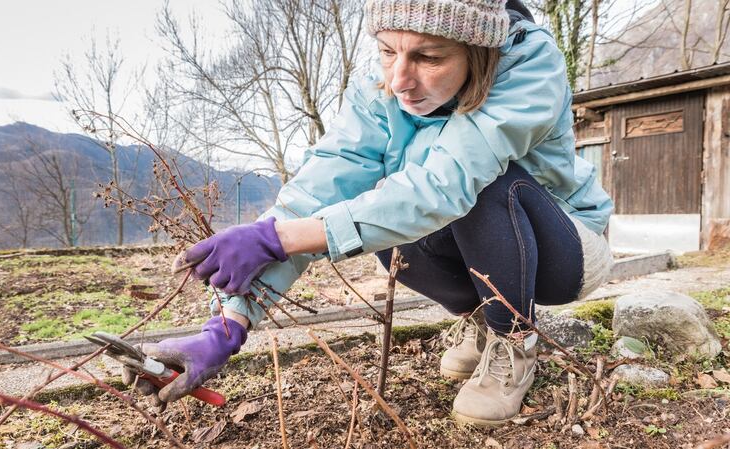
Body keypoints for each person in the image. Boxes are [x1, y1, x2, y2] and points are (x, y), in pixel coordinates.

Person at [122, 0, 614, 426]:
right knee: (384, 226)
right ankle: (480, 317)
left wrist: (282, 240)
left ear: (479, 51)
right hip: (478, 235)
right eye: (387, 51)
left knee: (480, 185)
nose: (400, 79)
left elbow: (445, 184)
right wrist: (229, 325)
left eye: (428, 56)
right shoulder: (379, 90)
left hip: (566, 250)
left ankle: (513, 341)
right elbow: (317, 192)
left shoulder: (529, 65)